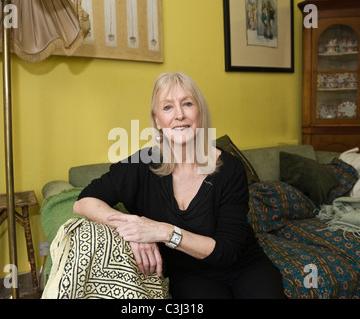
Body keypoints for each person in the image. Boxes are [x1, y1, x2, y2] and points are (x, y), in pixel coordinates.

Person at [73, 72, 285, 299]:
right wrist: (133, 227)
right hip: (189, 275)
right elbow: (84, 202)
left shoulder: (229, 168)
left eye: (187, 103)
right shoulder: (141, 164)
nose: (179, 115)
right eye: (167, 107)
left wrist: (162, 231)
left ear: (199, 112)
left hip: (244, 265)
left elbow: (227, 252)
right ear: (157, 120)